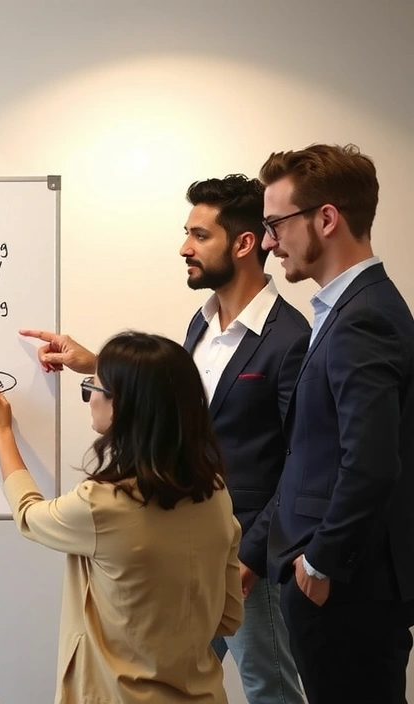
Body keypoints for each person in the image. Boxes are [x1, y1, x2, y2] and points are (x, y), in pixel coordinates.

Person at [24, 174, 310, 703]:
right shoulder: (200, 325)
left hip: (246, 556)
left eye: (200, 235)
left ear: (244, 244)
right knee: (176, 684)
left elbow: (303, 460)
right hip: (185, 547)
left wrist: (251, 553)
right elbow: (177, 409)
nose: (185, 248)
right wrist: (99, 367)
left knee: (269, 690)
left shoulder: (291, 340)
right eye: (187, 234)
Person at [0, 333, 243, 704]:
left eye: (93, 388)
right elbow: (228, 616)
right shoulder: (214, 493)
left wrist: (1, 433)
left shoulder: (104, 503)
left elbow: (29, 515)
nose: (90, 398)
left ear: (122, 405)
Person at [238, 144, 414, 704]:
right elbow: (309, 456)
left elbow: (371, 463)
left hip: (345, 591)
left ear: (327, 218)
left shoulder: (363, 317)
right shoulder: (344, 310)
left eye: (274, 225)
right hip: (333, 587)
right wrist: (255, 553)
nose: (268, 243)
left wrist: (319, 563)